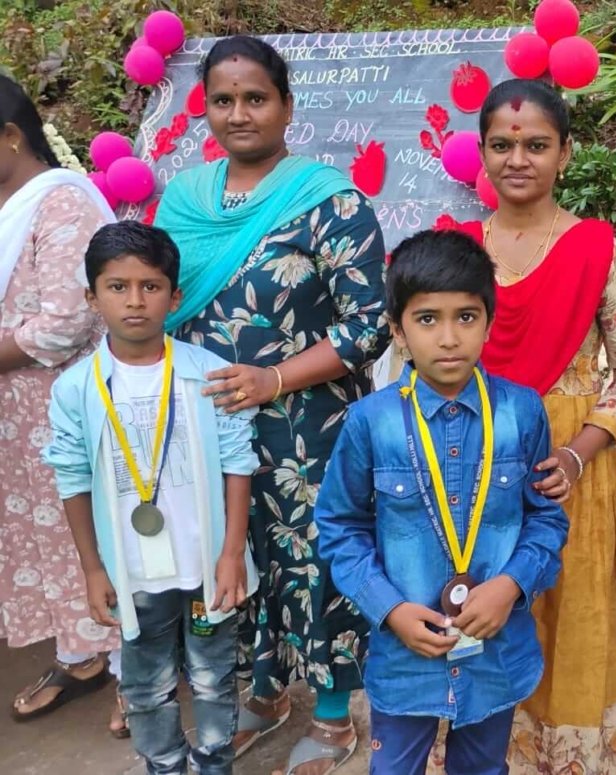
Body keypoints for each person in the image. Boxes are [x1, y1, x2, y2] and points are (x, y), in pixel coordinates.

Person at [154, 35, 390, 774]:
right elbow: (156, 299)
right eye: (222, 100)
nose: (239, 114)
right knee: (234, 558)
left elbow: (369, 325)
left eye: (255, 98)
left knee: (313, 560)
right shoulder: (184, 201)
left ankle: (332, 712)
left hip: (308, 429)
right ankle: (262, 694)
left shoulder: (329, 201)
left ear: (287, 106)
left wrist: (274, 380)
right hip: (208, 425)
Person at [314, 229, 569, 775]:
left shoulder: (522, 413)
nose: (449, 338)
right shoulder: (370, 422)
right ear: (397, 330)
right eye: (427, 319)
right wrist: (390, 609)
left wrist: (511, 585)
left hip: (495, 651)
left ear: (489, 323)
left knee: (482, 767)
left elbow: (546, 519)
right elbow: (339, 527)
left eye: (466, 317)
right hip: (406, 656)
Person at [458, 79, 616, 774]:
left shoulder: (601, 251)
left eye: (536, 145)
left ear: (565, 153)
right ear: (483, 152)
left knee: (572, 612)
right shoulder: (455, 252)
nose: (518, 159)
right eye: (502, 145)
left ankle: (567, 756)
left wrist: (575, 454)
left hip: (571, 471)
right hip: (470, 463)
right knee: (477, 605)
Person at [43, 220, 259, 774]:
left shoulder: (207, 374)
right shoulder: (76, 389)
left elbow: (238, 463)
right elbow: (72, 479)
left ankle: (215, 764)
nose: (135, 301)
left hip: (206, 569)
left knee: (213, 677)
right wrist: (94, 569)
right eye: (117, 287)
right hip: (134, 574)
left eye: (151, 286)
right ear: (92, 297)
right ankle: (164, 766)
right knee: (145, 686)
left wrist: (231, 554)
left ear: (174, 296)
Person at [0, 74, 126, 731]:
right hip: (15, 419)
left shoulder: (61, 203)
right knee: (47, 539)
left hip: (68, 408)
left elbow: (65, 324)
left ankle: (138, 672)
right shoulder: (6, 206)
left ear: (10, 137)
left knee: (100, 532)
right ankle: (81, 657)